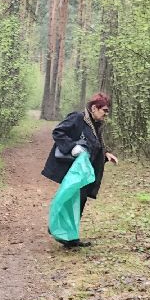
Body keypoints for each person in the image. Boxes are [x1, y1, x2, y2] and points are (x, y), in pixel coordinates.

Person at [41, 92, 119, 248]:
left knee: (79, 201)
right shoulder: (78, 118)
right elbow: (58, 132)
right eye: (104, 110)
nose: (106, 114)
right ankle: (61, 230)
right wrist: (72, 147)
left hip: (85, 172)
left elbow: (94, 145)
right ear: (94, 108)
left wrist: (106, 154)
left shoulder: (96, 124)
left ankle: (71, 236)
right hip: (74, 171)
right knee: (71, 200)